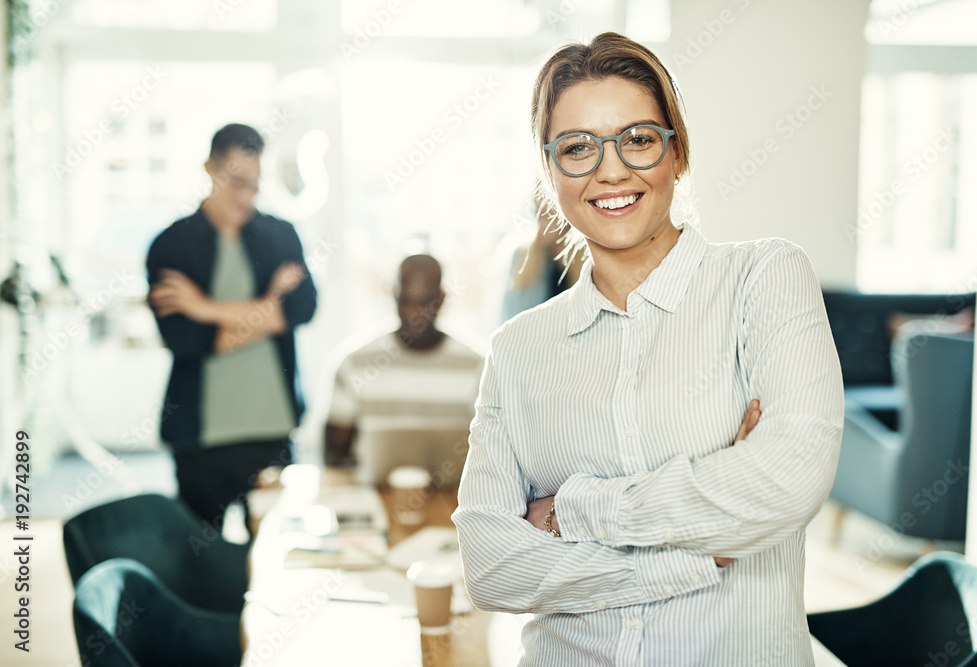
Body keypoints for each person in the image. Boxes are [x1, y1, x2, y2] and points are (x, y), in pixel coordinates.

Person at [452, 33, 844, 666]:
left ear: (677, 150)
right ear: (550, 172)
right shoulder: (519, 349)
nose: (610, 170)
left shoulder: (764, 279)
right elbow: (493, 567)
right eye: (577, 147)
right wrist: (694, 552)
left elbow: (787, 480)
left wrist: (575, 509)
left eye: (637, 139)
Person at [146, 123, 317, 532]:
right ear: (209, 168)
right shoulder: (170, 246)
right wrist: (266, 312)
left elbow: (302, 309)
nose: (246, 196)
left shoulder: (280, 235)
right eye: (237, 182)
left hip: (272, 432)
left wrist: (204, 307)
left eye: (255, 184)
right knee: (204, 567)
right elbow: (185, 340)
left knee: (278, 550)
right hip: (200, 440)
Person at [324, 254, 484, 478]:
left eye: (425, 303)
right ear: (394, 295)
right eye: (406, 302)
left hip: (454, 503)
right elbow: (334, 456)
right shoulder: (355, 362)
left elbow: (491, 452)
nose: (414, 314)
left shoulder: (478, 366)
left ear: (441, 298)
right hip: (374, 499)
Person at [499, 189, 584, 322]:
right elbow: (507, 318)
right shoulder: (522, 256)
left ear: (566, 216)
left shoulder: (588, 262)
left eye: (546, 214)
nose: (538, 222)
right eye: (535, 213)